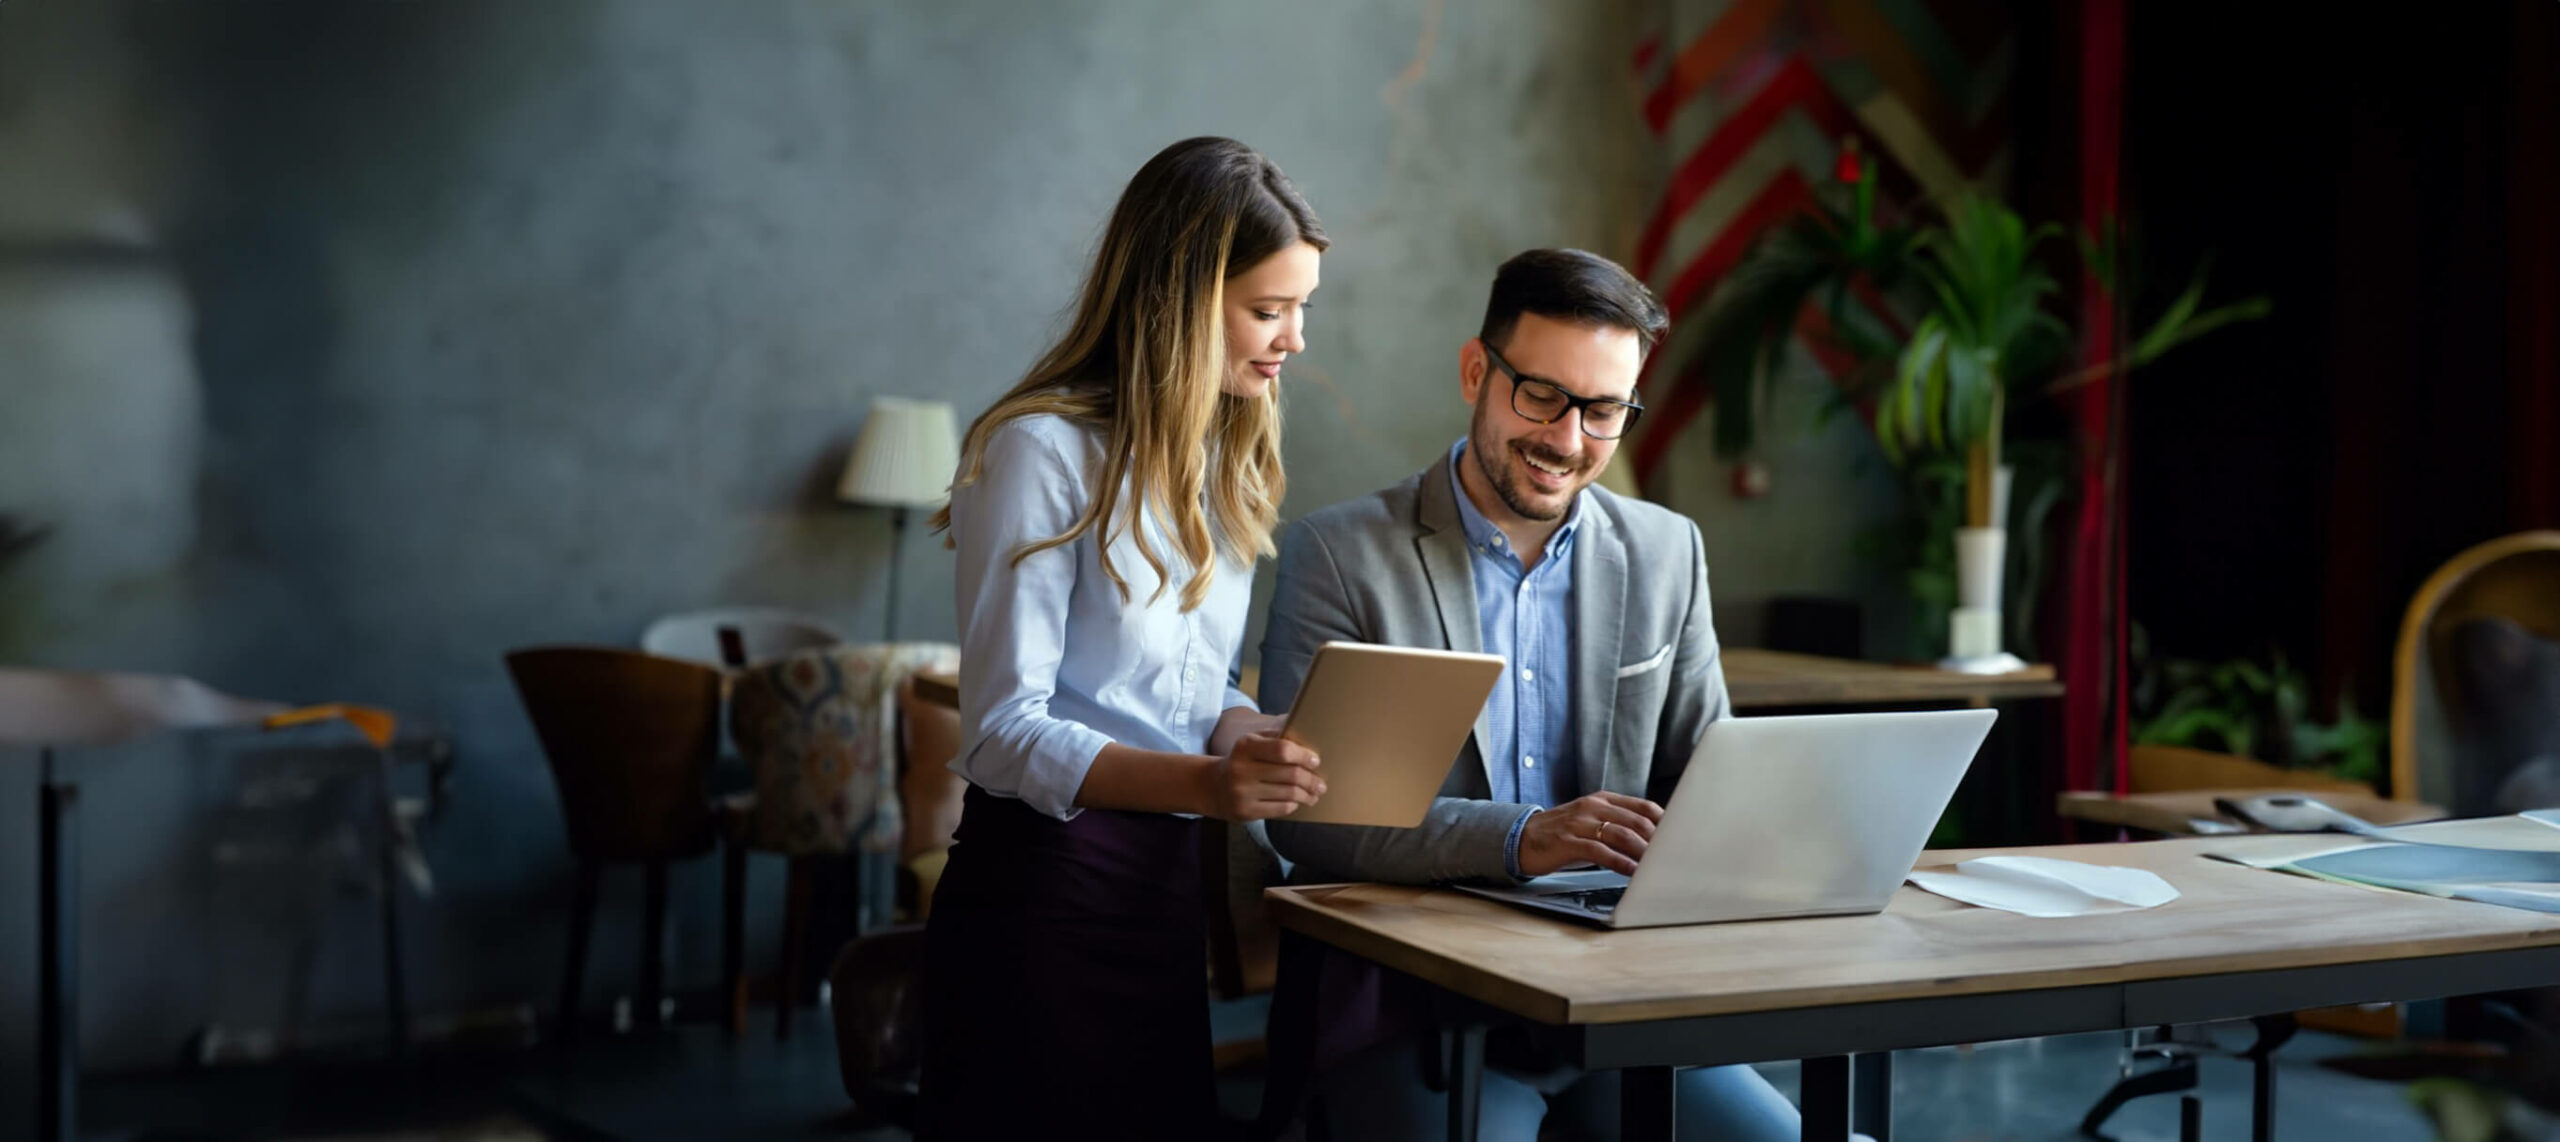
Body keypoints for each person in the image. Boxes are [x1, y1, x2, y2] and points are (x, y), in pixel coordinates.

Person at [1262, 249, 1825, 1141]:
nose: (1567, 439)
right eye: (1542, 396)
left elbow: (1706, 779)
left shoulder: (1667, 552)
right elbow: (1312, 822)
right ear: (1475, 373)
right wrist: (1524, 837)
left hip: (1619, 996)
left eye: (1603, 411)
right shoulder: (1340, 555)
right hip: (1415, 1007)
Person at [914, 136, 1329, 1140]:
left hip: (1161, 895)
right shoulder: (1037, 450)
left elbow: (1185, 688)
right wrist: (1209, 785)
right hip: (1039, 898)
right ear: (1180, 299)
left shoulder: (1220, 460)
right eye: (1268, 310)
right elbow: (1004, 731)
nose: (1294, 340)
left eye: (1302, 308)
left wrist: (1250, 731)